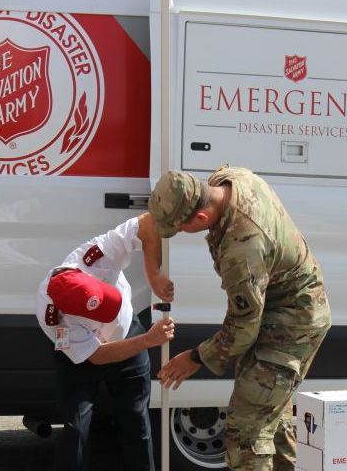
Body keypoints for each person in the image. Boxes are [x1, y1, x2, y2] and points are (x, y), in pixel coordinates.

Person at [148, 166, 331, 470]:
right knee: (271, 414)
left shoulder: (242, 249)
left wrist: (195, 357)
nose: (181, 234)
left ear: (201, 218)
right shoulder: (233, 178)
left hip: (293, 323)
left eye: (181, 228)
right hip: (289, 308)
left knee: (248, 429)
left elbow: (244, 326)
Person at [35, 212, 175, 471]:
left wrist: (153, 274)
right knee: (76, 428)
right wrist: (148, 340)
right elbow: (97, 356)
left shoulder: (98, 256)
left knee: (136, 422)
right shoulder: (53, 318)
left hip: (128, 335)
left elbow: (149, 222)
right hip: (83, 357)